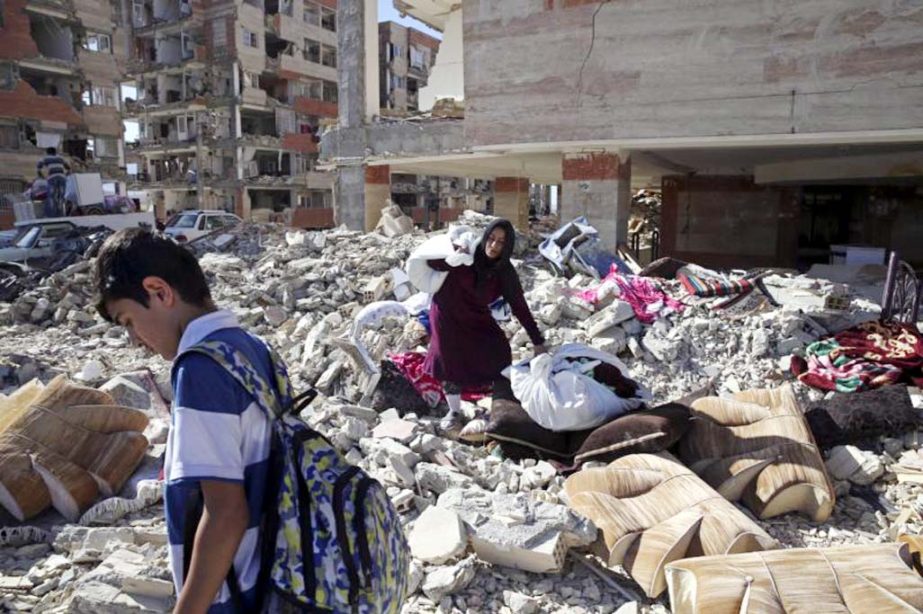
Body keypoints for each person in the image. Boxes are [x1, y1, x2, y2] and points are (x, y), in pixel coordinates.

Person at [94, 229, 274, 613]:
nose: (134, 339)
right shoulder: (252, 347)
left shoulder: (199, 368)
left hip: (241, 592)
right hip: (281, 574)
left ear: (159, 291)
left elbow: (226, 513)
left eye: (128, 321)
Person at [423, 218, 546, 435]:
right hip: (446, 314)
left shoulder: (504, 271)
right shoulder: (467, 253)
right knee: (450, 359)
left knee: (499, 351)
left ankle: (500, 406)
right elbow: (432, 263)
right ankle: (453, 412)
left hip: (476, 316)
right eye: (491, 239)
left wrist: (537, 341)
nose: (494, 246)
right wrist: (454, 255)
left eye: (501, 242)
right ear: (485, 237)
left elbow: (519, 305)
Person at [36, 147, 70, 218]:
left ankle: (52, 215)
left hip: (52, 178)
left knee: (52, 196)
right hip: (62, 178)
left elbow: (38, 167)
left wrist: (42, 177)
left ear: (47, 152)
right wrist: (65, 175)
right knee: (60, 196)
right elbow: (68, 168)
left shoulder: (46, 158)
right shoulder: (60, 158)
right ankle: (60, 214)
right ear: (55, 152)